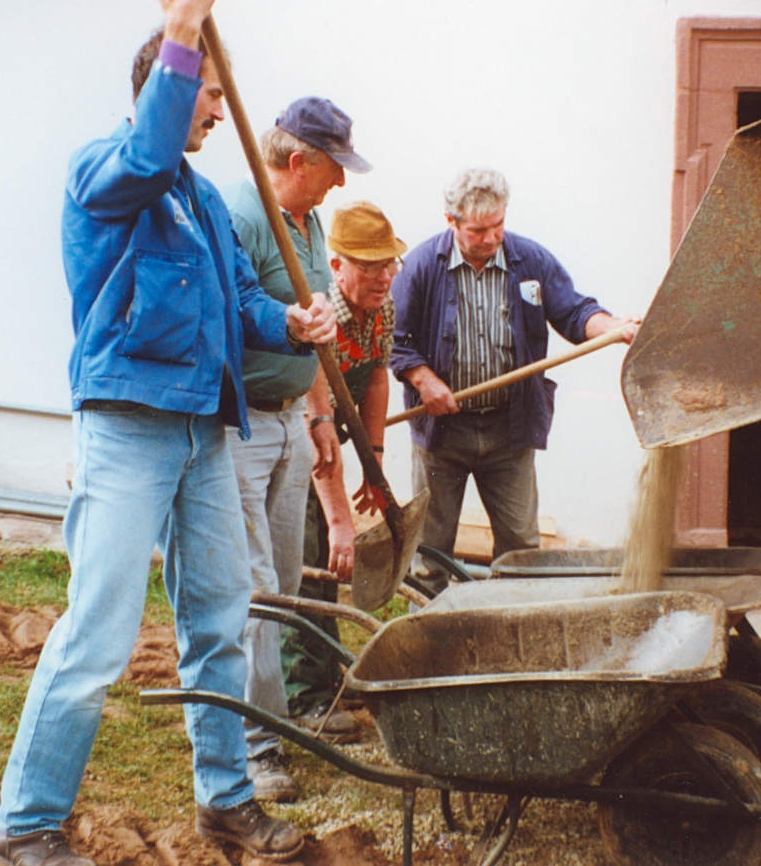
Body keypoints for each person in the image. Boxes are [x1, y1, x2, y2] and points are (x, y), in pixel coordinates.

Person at [0, 0, 335, 866]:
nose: (218, 111)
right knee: (97, 632)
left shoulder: (202, 199)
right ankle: (26, 825)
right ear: (165, 89)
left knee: (219, 618)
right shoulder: (108, 169)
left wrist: (292, 321)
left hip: (202, 434)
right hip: (126, 427)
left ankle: (227, 802)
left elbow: (236, 306)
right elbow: (146, 149)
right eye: (206, 94)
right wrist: (183, 30)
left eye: (216, 94)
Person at [390, 168, 638, 597]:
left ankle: (514, 632)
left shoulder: (530, 260)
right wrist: (422, 377)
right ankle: (427, 650)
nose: (491, 238)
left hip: (510, 430)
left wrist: (614, 326)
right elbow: (395, 340)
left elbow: (575, 312)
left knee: (523, 552)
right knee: (430, 556)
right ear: (450, 221)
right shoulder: (420, 267)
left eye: (499, 225)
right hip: (442, 434)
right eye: (479, 230)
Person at [220, 97, 371, 801]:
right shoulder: (242, 217)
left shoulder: (308, 223)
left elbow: (313, 332)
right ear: (298, 160)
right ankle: (256, 749)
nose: (342, 182)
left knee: (279, 586)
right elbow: (233, 312)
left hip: (288, 422)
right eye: (334, 166)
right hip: (242, 425)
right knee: (253, 589)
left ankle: (271, 717)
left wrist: (315, 419)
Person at [281, 201, 406, 734]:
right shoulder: (321, 313)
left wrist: (374, 463)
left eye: (390, 263)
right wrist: (340, 521)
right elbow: (320, 431)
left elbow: (377, 377)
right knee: (311, 564)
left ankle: (329, 676)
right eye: (372, 265)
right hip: (299, 440)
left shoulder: (382, 306)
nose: (386, 275)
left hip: (333, 430)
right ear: (337, 265)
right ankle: (302, 697)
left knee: (332, 570)